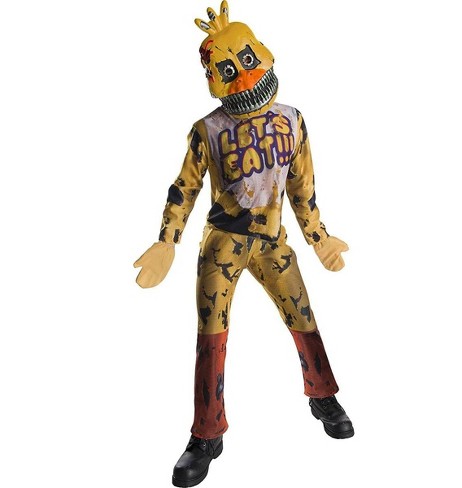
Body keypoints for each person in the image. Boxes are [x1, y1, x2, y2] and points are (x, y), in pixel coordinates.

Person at [134, 3, 354, 486]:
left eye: (246, 61)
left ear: (264, 54)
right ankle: (206, 433)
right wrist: (167, 240)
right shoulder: (207, 130)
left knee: (303, 317)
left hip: (273, 243)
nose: (243, 79)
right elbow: (185, 187)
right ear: (214, 78)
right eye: (227, 71)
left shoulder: (293, 121)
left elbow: (302, 187)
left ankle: (323, 394)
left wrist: (318, 237)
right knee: (211, 336)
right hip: (223, 245)